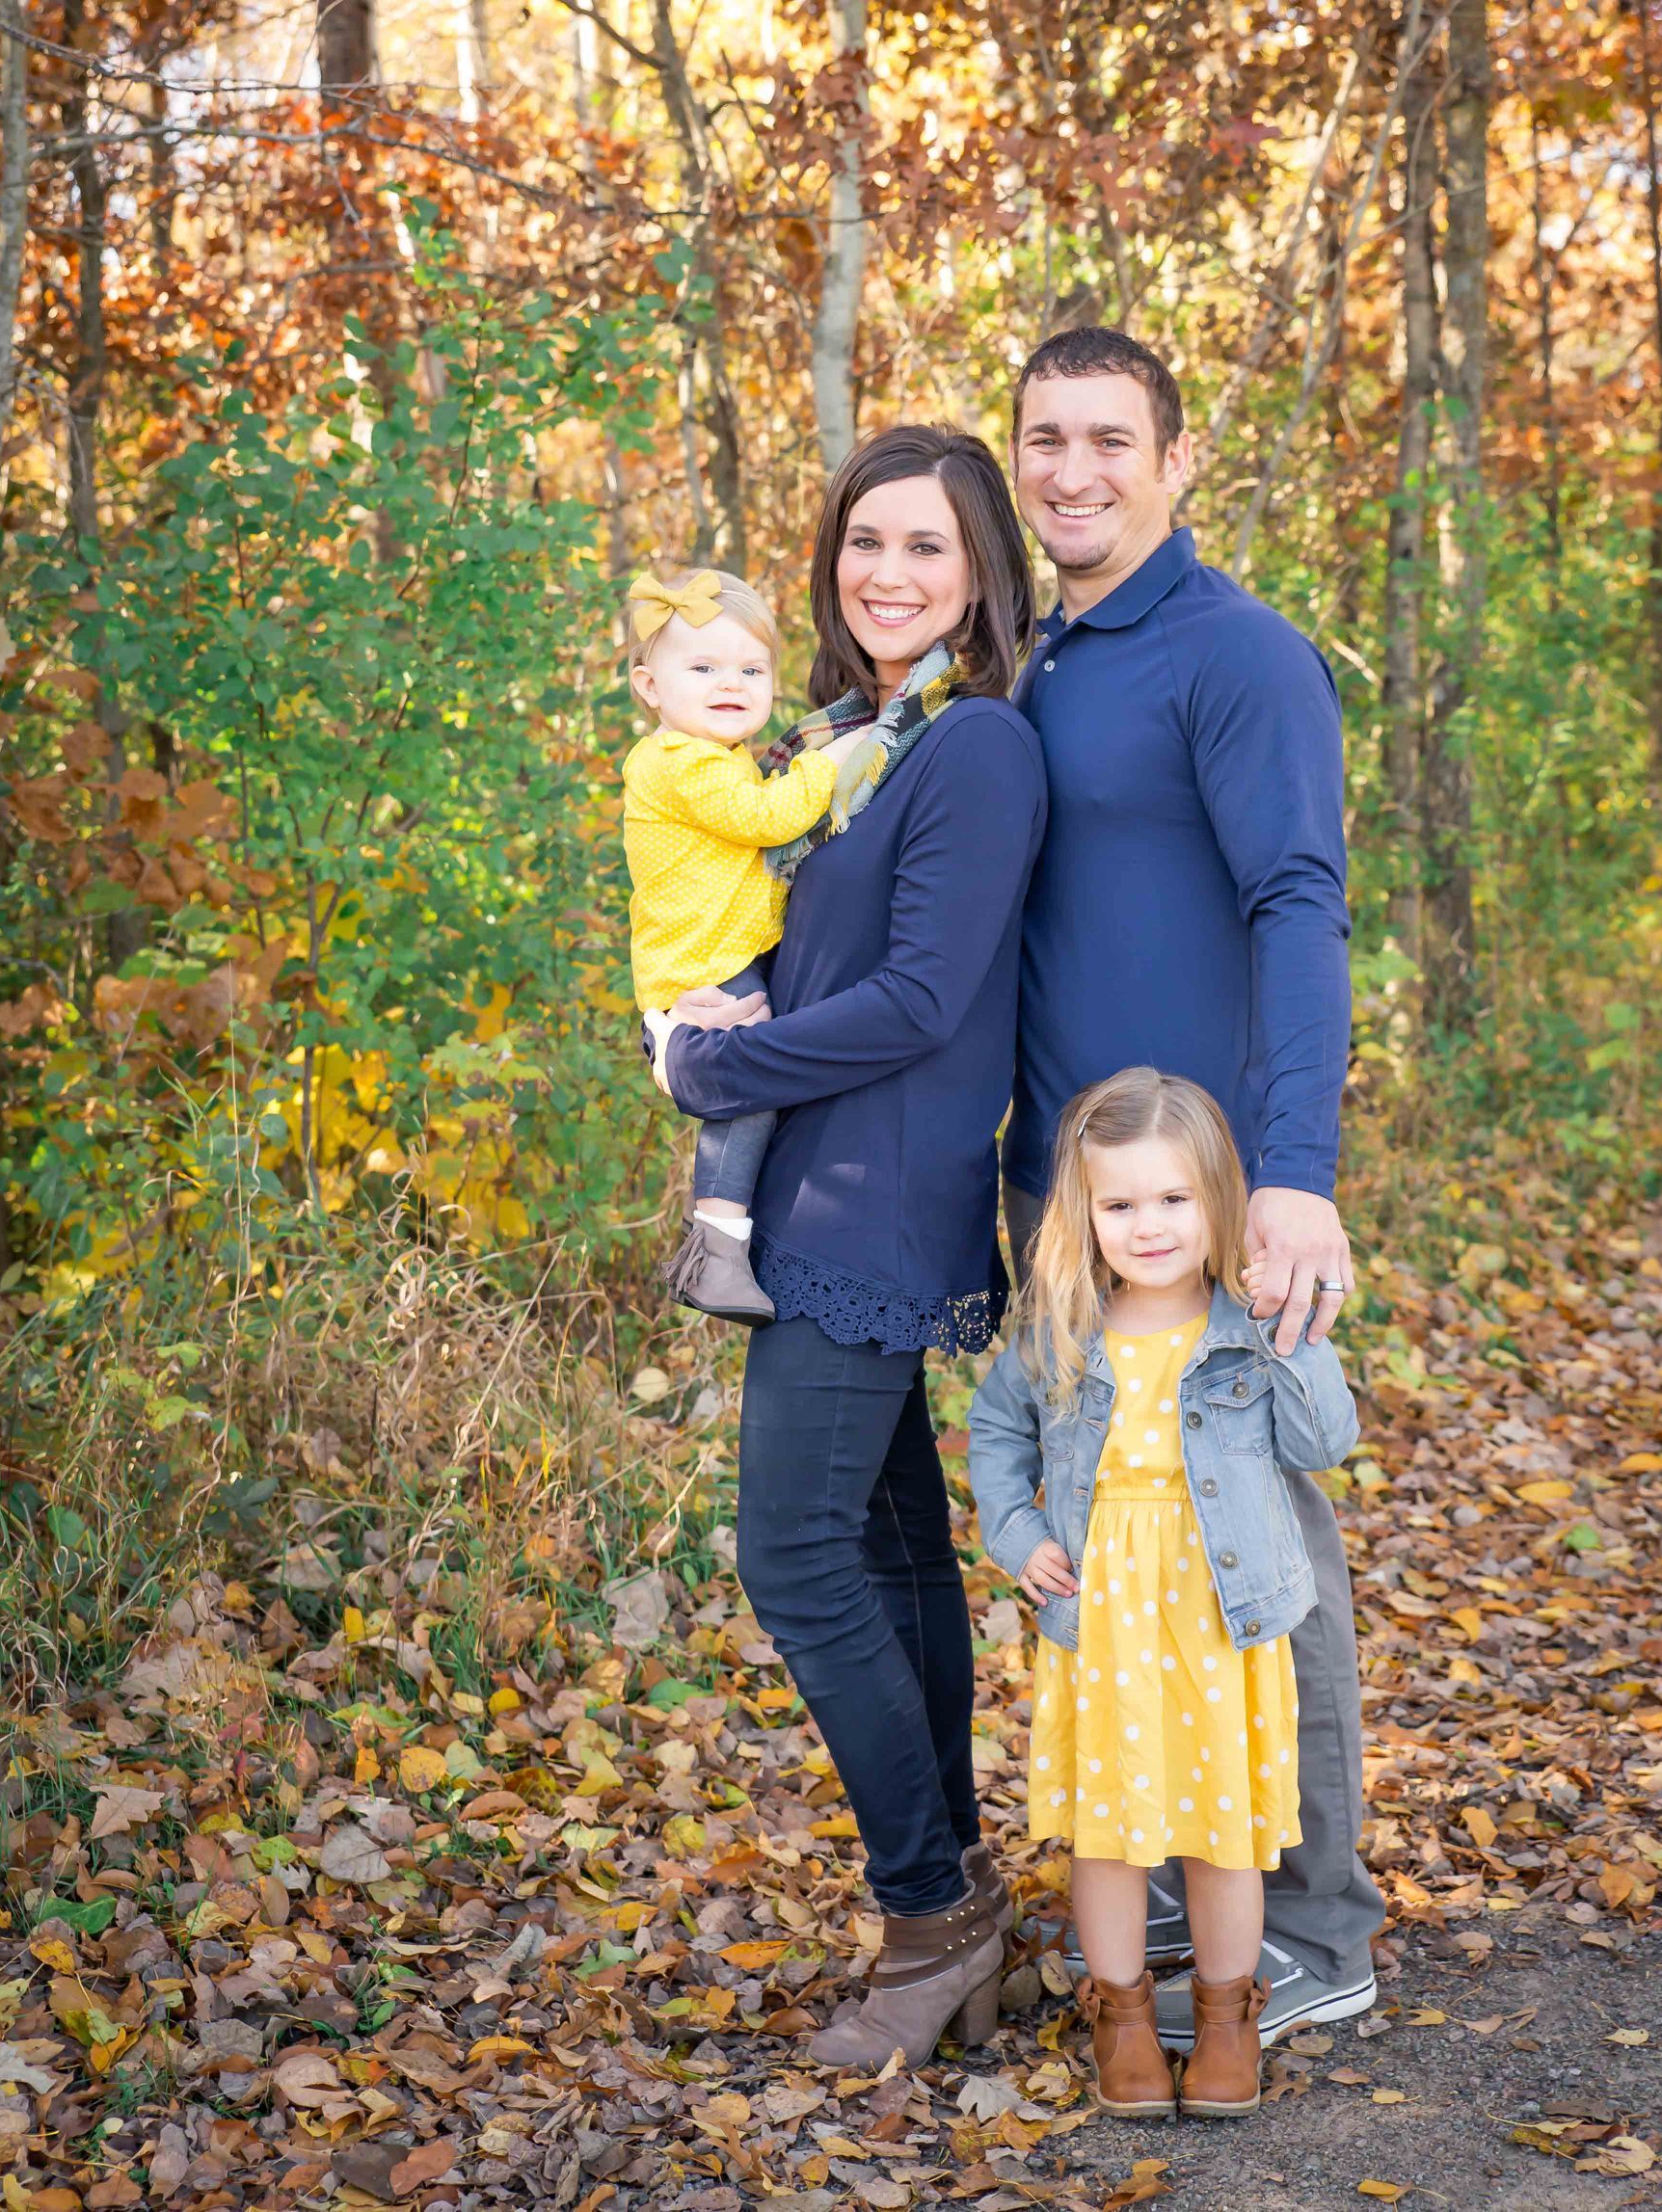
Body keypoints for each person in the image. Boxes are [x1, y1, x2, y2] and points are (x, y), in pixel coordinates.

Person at [642, 425, 1048, 2068]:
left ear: (982, 575)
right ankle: (960, 1899)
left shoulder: (975, 753)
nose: (888, 572)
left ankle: (928, 1906)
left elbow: (924, 1002)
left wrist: (716, 1065)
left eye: (928, 549)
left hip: (876, 1200)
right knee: (884, 1557)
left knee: (795, 1553)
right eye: (864, 542)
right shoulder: (855, 740)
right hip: (825, 1188)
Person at [1004, 326, 1384, 2043]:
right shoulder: (1035, 660)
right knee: (1114, 1547)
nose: (1073, 469)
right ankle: (1175, 1909)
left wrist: (1292, 1178)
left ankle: (1314, 1933)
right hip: (1072, 1210)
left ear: (1175, 459)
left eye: (1108, 438)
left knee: (1252, 1559)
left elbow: (1300, 904)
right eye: (1044, 438)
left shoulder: (1240, 656)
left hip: (1210, 1208)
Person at [970, 1068, 1358, 2116]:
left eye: (1174, 1199)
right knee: (1109, 1828)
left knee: (1220, 1830)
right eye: (1121, 1203)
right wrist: (1016, 1533)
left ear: (1218, 1202)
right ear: (1084, 1215)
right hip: (1102, 1614)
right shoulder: (1062, 1326)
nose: (1148, 1226)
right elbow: (998, 1433)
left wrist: (1292, 1318)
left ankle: (1229, 2009)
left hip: (1220, 1617)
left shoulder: (1247, 1322)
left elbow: (1326, 1441)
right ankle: (1124, 2010)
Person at [620, 567, 873, 1323]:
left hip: (715, 950)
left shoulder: (713, 754)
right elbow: (768, 819)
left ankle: (725, 1239)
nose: (731, 683)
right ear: (650, 687)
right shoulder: (681, 761)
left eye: (751, 669)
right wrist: (829, 764)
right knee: (749, 1089)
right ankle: (718, 1249)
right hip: (708, 962)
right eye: (702, 668)